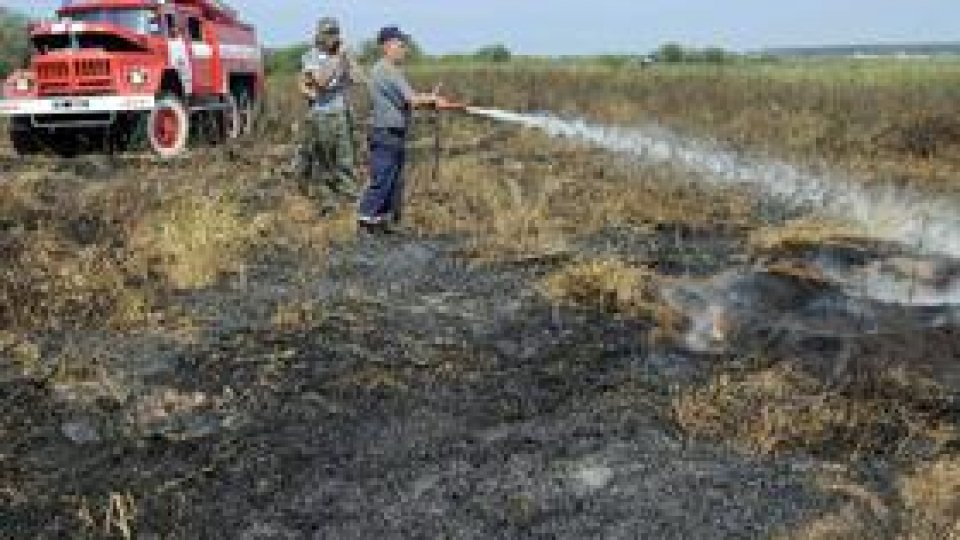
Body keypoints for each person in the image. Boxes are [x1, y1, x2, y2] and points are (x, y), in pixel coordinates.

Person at [357, 25, 456, 233]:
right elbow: (412, 100)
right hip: (385, 132)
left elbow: (406, 101)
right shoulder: (386, 71)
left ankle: (381, 222)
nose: (404, 49)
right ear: (387, 46)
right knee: (383, 179)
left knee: (393, 180)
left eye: (404, 45)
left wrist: (430, 100)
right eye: (400, 45)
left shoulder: (389, 70)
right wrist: (433, 100)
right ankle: (365, 220)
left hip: (391, 132)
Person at [295, 17, 363, 211]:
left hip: (341, 111)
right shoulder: (311, 56)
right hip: (322, 114)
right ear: (320, 35)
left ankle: (350, 197)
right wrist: (336, 59)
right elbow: (321, 82)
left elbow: (359, 78)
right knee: (325, 159)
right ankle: (328, 200)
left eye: (335, 33)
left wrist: (349, 60)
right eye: (329, 33)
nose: (333, 37)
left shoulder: (343, 55)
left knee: (346, 158)